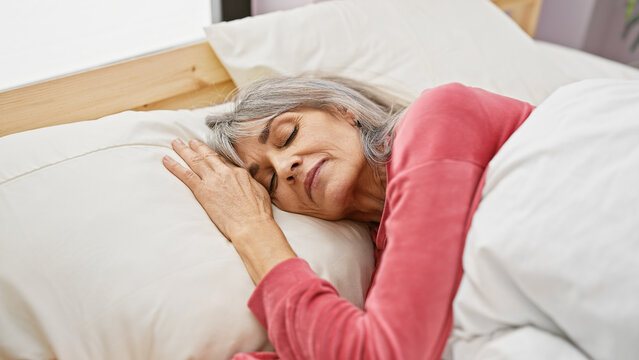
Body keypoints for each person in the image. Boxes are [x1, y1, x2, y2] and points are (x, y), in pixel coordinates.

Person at [161, 76, 534, 359]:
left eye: (287, 135)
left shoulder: (439, 117)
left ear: (342, 110)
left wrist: (252, 231)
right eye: (270, 181)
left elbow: (384, 352)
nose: (285, 166)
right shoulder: (382, 254)